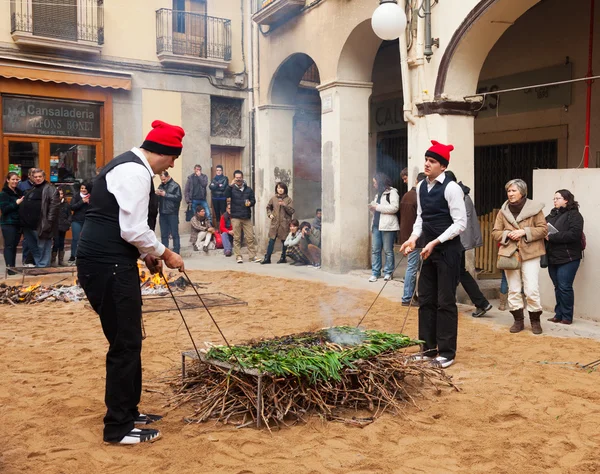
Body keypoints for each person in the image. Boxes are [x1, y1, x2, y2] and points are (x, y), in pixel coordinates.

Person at [76, 120, 185, 445]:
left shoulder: (131, 166)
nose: (173, 164)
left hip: (110, 262)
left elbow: (125, 226)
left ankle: (130, 409)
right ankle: (118, 427)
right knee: (125, 344)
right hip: (106, 265)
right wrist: (166, 254)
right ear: (162, 152)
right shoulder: (135, 172)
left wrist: (146, 256)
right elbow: (133, 230)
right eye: (173, 157)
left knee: (130, 338)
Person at [400, 140, 466, 369]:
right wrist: (413, 238)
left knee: (445, 301)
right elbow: (421, 218)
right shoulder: (420, 187)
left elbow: (460, 224)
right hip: (427, 250)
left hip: (448, 251)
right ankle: (428, 349)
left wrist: (436, 242)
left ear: (443, 166)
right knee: (426, 299)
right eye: (426, 160)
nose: (427, 164)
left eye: (433, 161)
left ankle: (447, 353)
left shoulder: (451, 188)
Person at [492, 179, 547, 335]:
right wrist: (507, 234)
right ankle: (518, 320)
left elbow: (543, 230)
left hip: (531, 253)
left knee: (531, 289)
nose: (510, 194)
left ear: (522, 192)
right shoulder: (503, 212)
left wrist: (524, 232)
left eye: (513, 191)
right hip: (510, 253)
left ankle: (535, 320)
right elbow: (495, 232)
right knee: (514, 289)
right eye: (508, 191)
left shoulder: (535, 209)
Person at [445, 171, 492, 318]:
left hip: (456, 241)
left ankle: (480, 303)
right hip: (457, 241)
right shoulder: (463, 194)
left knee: (456, 272)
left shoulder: (459, 196)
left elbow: (456, 222)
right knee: (457, 272)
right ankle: (479, 302)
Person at [545, 189, 584, 325]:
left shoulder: (574, 215)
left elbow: (574, 234)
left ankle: (567, 316)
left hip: (569, 257)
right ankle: (559, 314)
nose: (555, 201)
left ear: (566, 200)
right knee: (557, 286)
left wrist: (552, 237)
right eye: (554, 199)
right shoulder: (551, 215)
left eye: (557, 198)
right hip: (553, 256)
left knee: (565, 286)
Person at [19, 169, 60, 268]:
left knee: (44, 247)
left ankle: (43, 267)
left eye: (39, 176)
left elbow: (54, 208)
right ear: (32, 178)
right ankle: (39, 266)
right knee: (34, 248)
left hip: (41, 224)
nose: (37, 178)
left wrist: (49, 223)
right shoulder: (32, 188)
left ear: (44, 177)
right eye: (35, 177)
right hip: (28, 225)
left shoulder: (50, 189)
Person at [399, 172, 426, 306]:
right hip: (415, 239)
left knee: (413, 267)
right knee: (413, 267)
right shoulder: (418, 197)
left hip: (408, 237)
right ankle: (407, 297)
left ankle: (411, 296)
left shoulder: (407, 195)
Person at [368, 172, 399, 282]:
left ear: (380, 182)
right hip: (376, 225)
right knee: (375, 250)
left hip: (388, 226)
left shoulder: (392, 192)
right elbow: (378, 210)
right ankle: (375, 273)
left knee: (388, 250)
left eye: (375, 182)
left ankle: (388, 272)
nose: (374, 185)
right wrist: (373, 209)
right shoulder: (377, 195)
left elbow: (395, 208)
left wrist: (378, 207)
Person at [225, 170, 260, 263]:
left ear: (242, 178)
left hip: (246, 216)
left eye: (240, 178)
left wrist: (250, 203)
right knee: (237, 238)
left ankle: (252, 256)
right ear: (234, 178)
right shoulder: (231, 189)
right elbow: (226, 195)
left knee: (250, 237)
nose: (238, 180)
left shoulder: (248, 189)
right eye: (237, 178)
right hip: (236, 216)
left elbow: (253, 200)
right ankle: (238, 256)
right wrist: (229, 185)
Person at [261, 182, 295, 264]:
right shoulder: (273, 198)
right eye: (278, 188)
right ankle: (267, 258)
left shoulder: (288, 200)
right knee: (271, 241)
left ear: (285, 189)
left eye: (281, 188)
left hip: (284, 223)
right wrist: (270, 214)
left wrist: (284, 205)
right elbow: (268, 207)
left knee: (284, 241)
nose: (280, 190)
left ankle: (283, 257)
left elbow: (292, 211)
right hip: (275, 223)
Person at [0, 172, 24, 274]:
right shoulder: (4, 194)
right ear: (8, 180)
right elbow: (4, 209)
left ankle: (13, 267)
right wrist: (16, 203)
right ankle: (9, 268)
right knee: (9, 245)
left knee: (14, 245)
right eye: (13, 179)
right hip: (8, 223)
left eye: (16, 179)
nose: (15, 181)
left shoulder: (18, 192)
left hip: (18, 222)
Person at [157, 170, 182, 255]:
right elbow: (159, 199)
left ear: (168, 177)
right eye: (161, 180)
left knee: (174, 233)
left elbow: (178, 198)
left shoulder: (175, 186)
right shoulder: (161, 186)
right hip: (162, 212)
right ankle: (164, 251)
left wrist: (165, 194)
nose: (163, 181)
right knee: (164, 233)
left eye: (164, 179)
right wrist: (157, 194)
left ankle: (176, 251)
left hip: (172, 213)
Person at [69, 182, 92, 263]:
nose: (83, 190)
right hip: (77, 220)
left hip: (88, 220)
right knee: (75, 238)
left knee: (86, 239)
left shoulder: (91, 197)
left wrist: (89, 202)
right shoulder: (76, 196)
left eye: (85, 188)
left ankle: (85, 255)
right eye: (82, 188)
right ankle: (73, 255)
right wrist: (81, 201)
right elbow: (72, 207)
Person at [51, 186, 71, 266]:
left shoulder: (66, 204)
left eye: (62, 194)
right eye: (58, 194)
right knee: (56, 242)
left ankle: (61, 260)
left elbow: (69, 214)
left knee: (62, 243)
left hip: (63, 226)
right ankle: (53, 260)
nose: (60, 196)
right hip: (55, 227)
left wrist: (68, 222)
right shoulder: (53, 204)